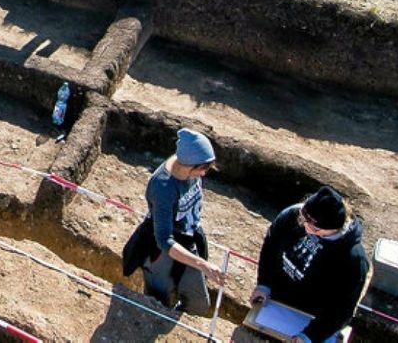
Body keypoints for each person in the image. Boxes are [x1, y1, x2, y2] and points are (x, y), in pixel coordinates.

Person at [122, 127, 225, 314]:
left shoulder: (187, 166)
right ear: (188, 164)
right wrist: (202, 264)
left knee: (198, 304)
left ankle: (176, 312)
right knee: (158, 301)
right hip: (162, 251)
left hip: (188, 238)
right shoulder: (163, 188)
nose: (203, 174)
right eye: (202, 169)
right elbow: (164, 241)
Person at [250, 186, 370, 343]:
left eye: (315, 228)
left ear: (334, 228)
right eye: (304, 220)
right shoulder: (293, 215)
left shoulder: (353, 260)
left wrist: (309, 336)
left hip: (312, 317)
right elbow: (270, 247)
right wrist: (264, 284)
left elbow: (342, 310)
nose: (306, 228)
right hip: (276, 304)